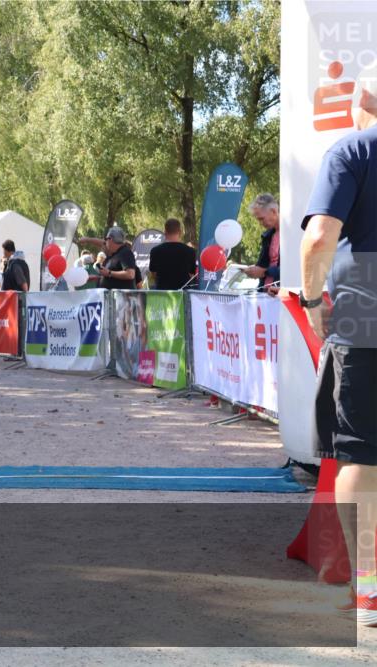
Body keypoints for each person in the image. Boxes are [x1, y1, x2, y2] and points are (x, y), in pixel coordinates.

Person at [299, 75, 377, 628]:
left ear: (363, 105)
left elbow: (319, 235)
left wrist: (309, 301)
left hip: (365, 312)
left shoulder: (352, 148)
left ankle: (370, 590)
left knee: (360, 455)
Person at [148, 218, 197, 290]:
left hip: (163, 293)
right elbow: (191, 274)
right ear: (180, 232)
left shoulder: (155, 251)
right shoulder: (190, 251)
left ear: (165, 232)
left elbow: (154, 273)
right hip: (183, 293)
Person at [244, 193, 280, 289]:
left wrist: (264, 272)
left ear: (273, 211)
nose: (260, 223)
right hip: (266, 292)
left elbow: (293, 267)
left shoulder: (291, 234)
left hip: (283, 294)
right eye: (258, 220)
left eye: (262, 219)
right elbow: (263, 265)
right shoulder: (267, 236)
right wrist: (254, 270)